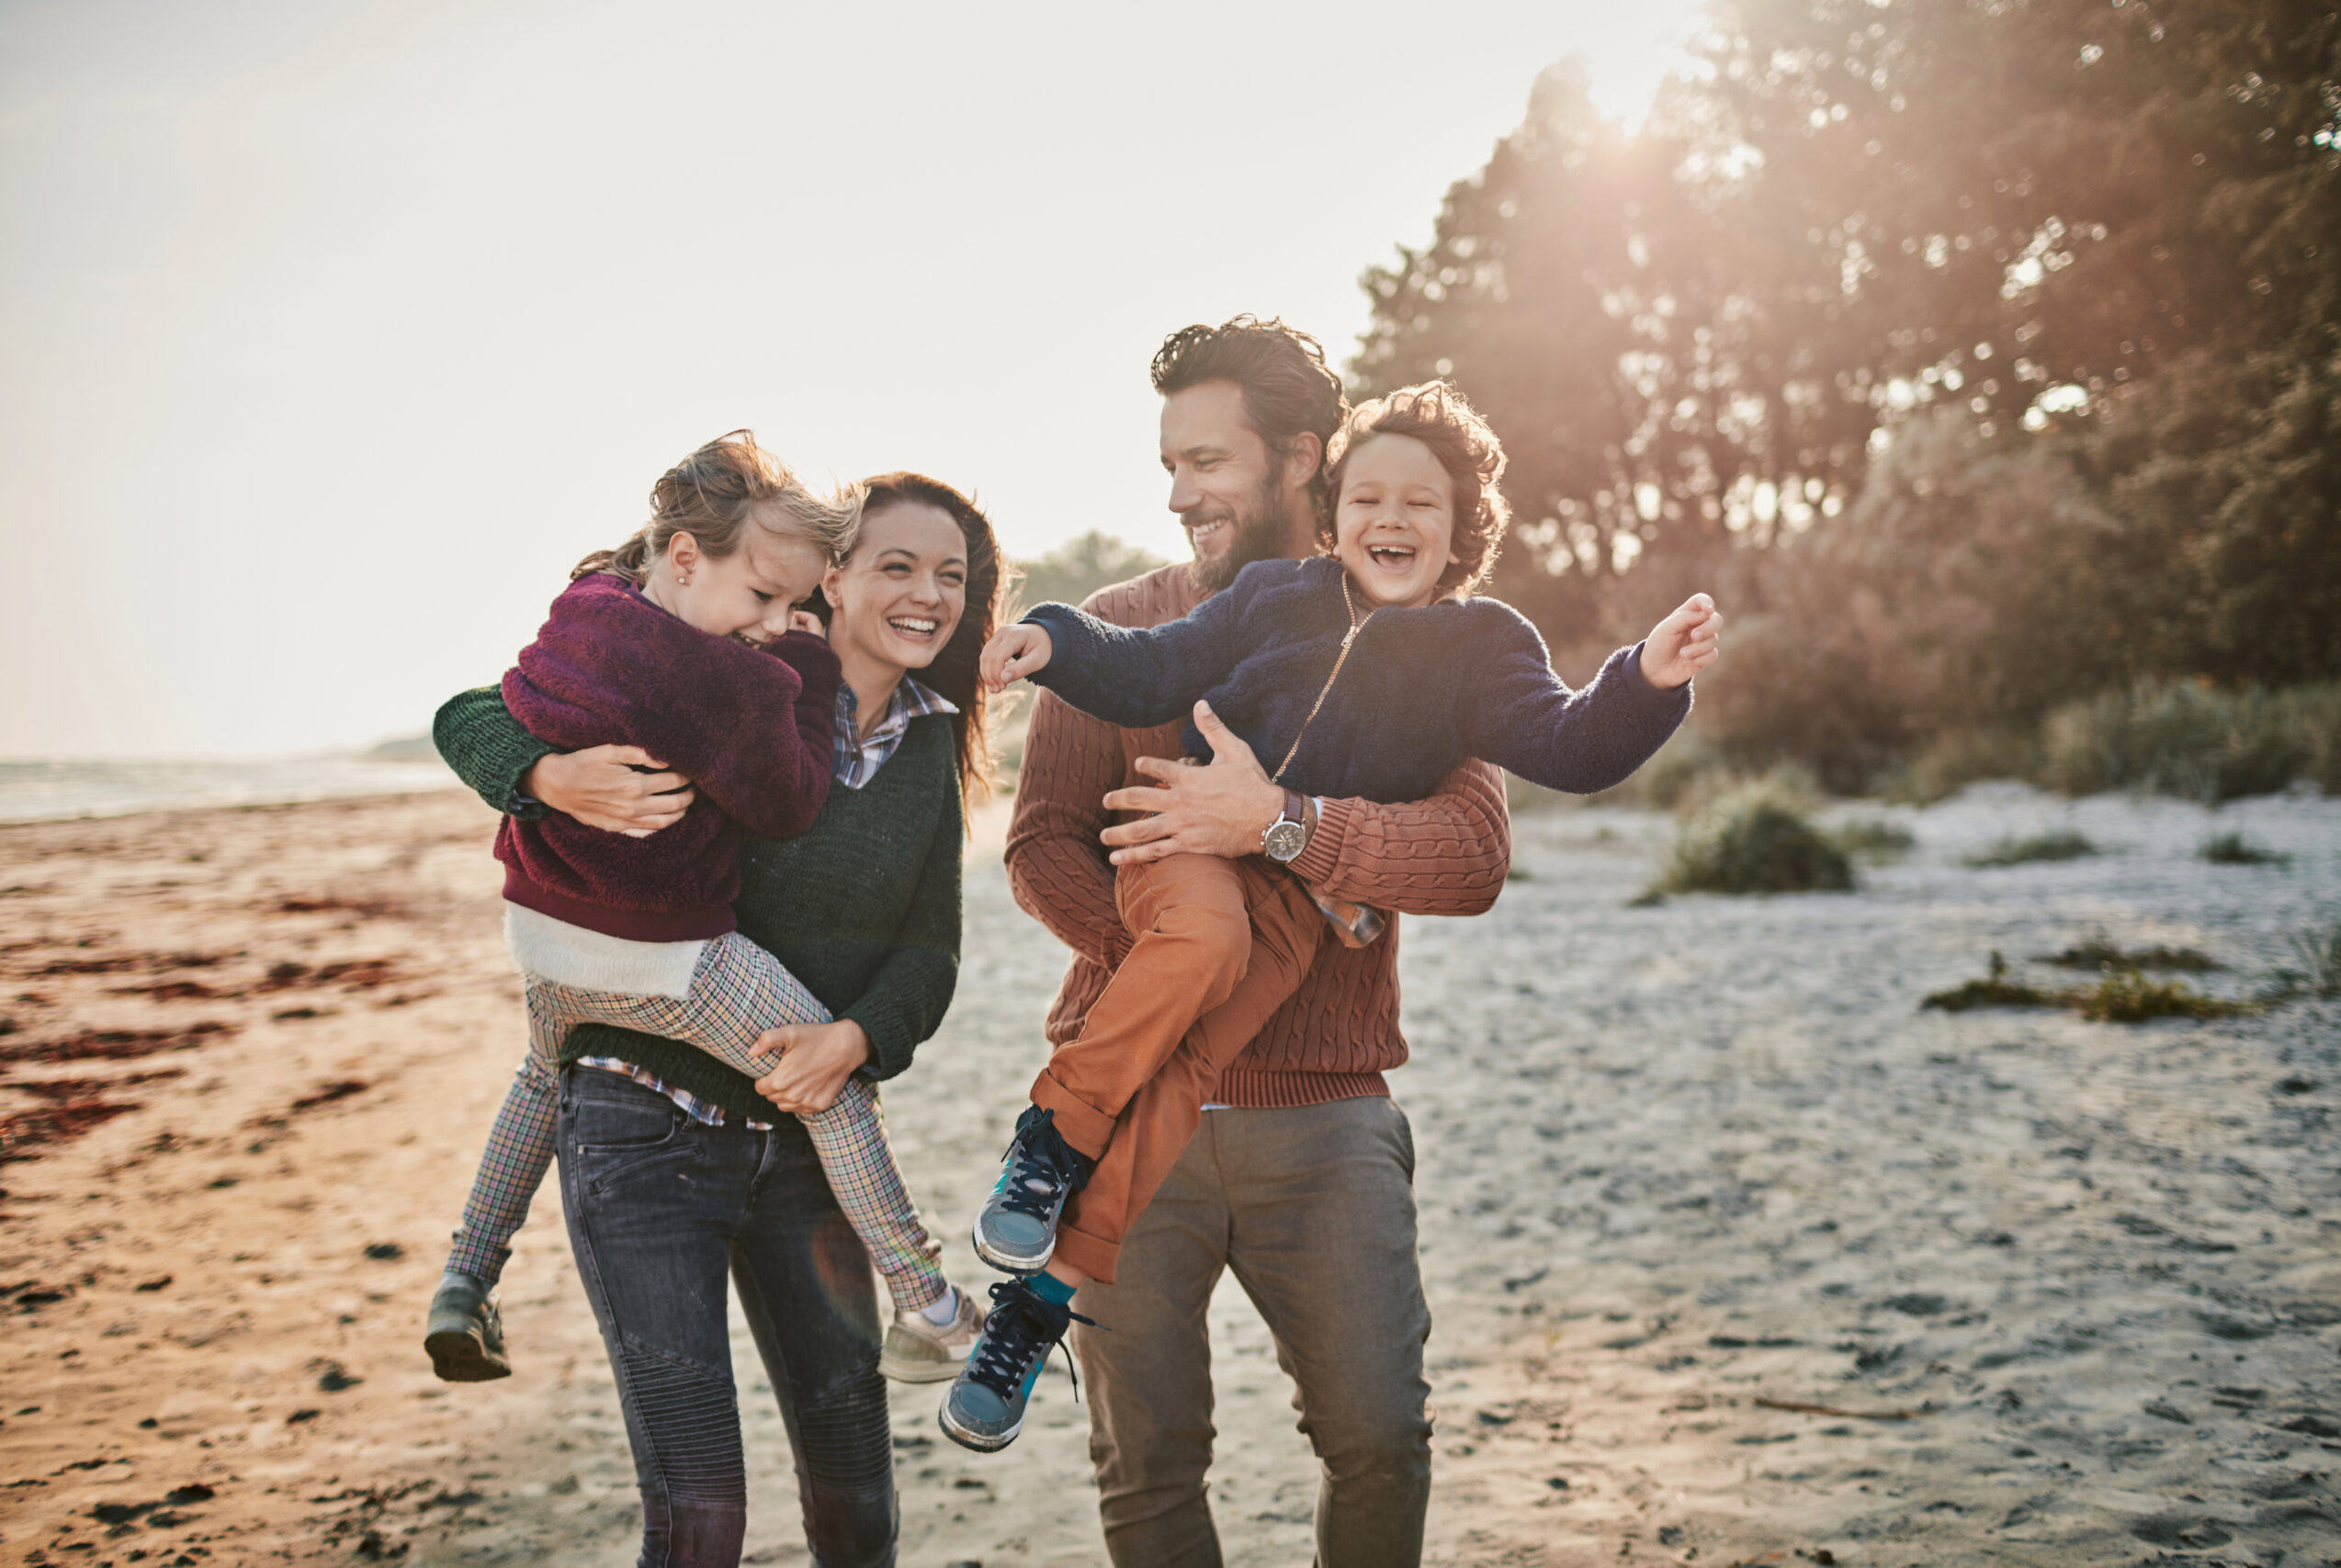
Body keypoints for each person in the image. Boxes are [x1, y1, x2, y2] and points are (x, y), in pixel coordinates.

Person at [942, 379, 1717, 1452]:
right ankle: (1053, 1132)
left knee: (1191, 1063)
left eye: (1421, 505)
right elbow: (1149, 666)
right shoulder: (1273, 596)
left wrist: (1647, 680)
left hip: (1297, 919)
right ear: (1332, 509)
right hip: (1187, 858)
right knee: (1202, 950)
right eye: (1367, 499)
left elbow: (1569, 745)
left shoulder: (1480, 649)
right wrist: (1055, 640)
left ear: (1462, 532)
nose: (1389, 520)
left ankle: (1044, 1298)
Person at [433, 470, 1005, 1566]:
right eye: (897, 565)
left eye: (951, 575)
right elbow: (471, 713)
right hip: (641, 1135)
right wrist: (545, 778)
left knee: (857, 1501)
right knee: (699, 1518)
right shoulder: (720, 672)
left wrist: (857, 1038)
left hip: (807, 1146)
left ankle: (473, 1273)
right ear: (828, 579)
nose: (928, 593)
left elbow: (929, 949)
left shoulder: (931, 743)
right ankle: (469, 1278)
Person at [1003, 316, 1504, 1566]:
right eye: (1169, 464)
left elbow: (1471, 851)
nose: (1179, 495)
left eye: (1208, 463)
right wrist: (1188, 954)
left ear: (1302, 457)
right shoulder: (1122, 628)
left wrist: (1288, 829)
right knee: (1148, 1467)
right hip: (1124, 1116)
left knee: (1382, 1434)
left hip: (1324, 1115)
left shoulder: (1421, 633)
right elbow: (1041, 844)